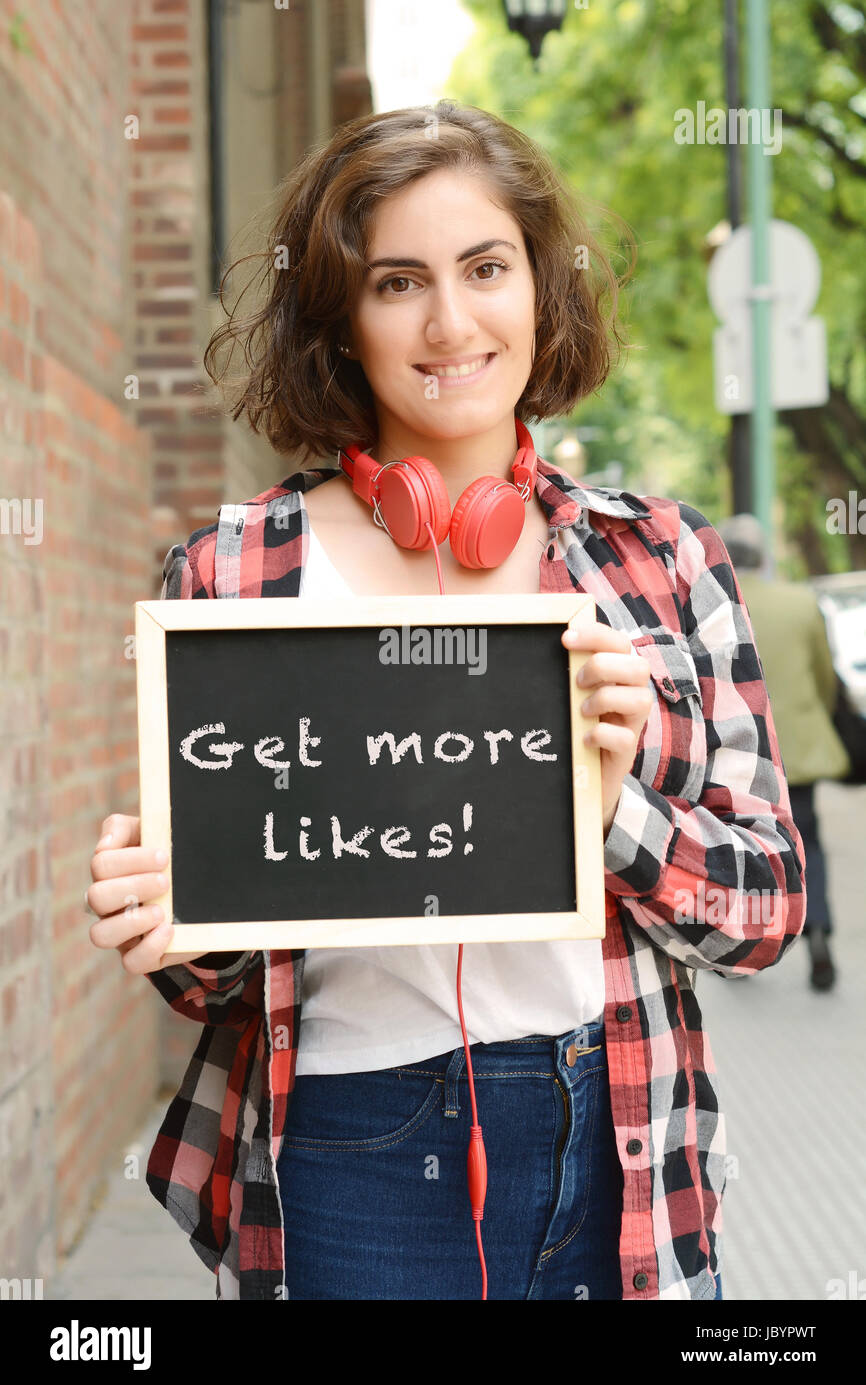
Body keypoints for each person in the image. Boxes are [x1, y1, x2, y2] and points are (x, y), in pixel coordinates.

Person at [86, 101, 806, 1301]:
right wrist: (170, 921)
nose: (449, 322)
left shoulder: (662, 561)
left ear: (539, 289)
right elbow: (213, 974)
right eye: (396, 283)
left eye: (484, 268)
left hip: (625, 1133)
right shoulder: (233, 572)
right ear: (342, 323)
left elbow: (767, 909)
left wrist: (607, 801)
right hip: (352, 1144)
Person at [717, 512, 850, 991]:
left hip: (736, 751)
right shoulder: (800, 602)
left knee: (742, 842)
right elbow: (824, 676)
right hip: (799, 746)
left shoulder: (716, 602)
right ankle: (817, 930)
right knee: (807, 840)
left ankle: (747, 941)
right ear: (765, 555)